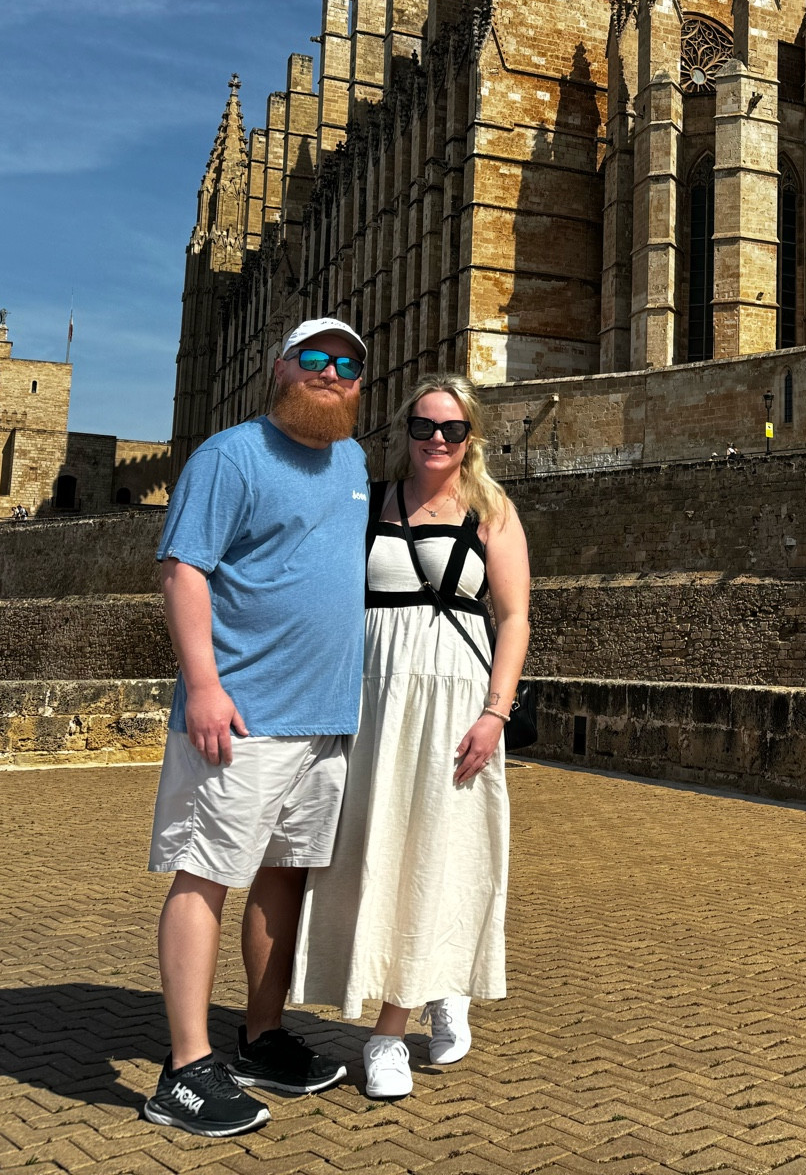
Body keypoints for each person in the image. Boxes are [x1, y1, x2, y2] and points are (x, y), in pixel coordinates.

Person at [139, 319, 372, 1137]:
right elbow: (182, 571)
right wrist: (204, 685)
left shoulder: (353, 461)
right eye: (316, 358)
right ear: (281, 368)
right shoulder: (230, 456)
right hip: (241, 715)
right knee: (204, 874)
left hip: (323, 720)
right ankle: (184, 1070)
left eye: (347, 364)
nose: (332, 373)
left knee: (285, 874)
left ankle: (260, 1037)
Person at [293, 373, 531, 1101]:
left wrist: (495, 713)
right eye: (424, 426)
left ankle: (389, 1035)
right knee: (376, 851)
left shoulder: (492, 510)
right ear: (405, 431)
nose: (437, 439)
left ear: (471, 437)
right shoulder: (372, 503)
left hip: (454, 700)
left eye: (452, 429)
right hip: (374, 698)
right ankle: (438, 981)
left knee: (438, 850)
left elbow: (514, 617)